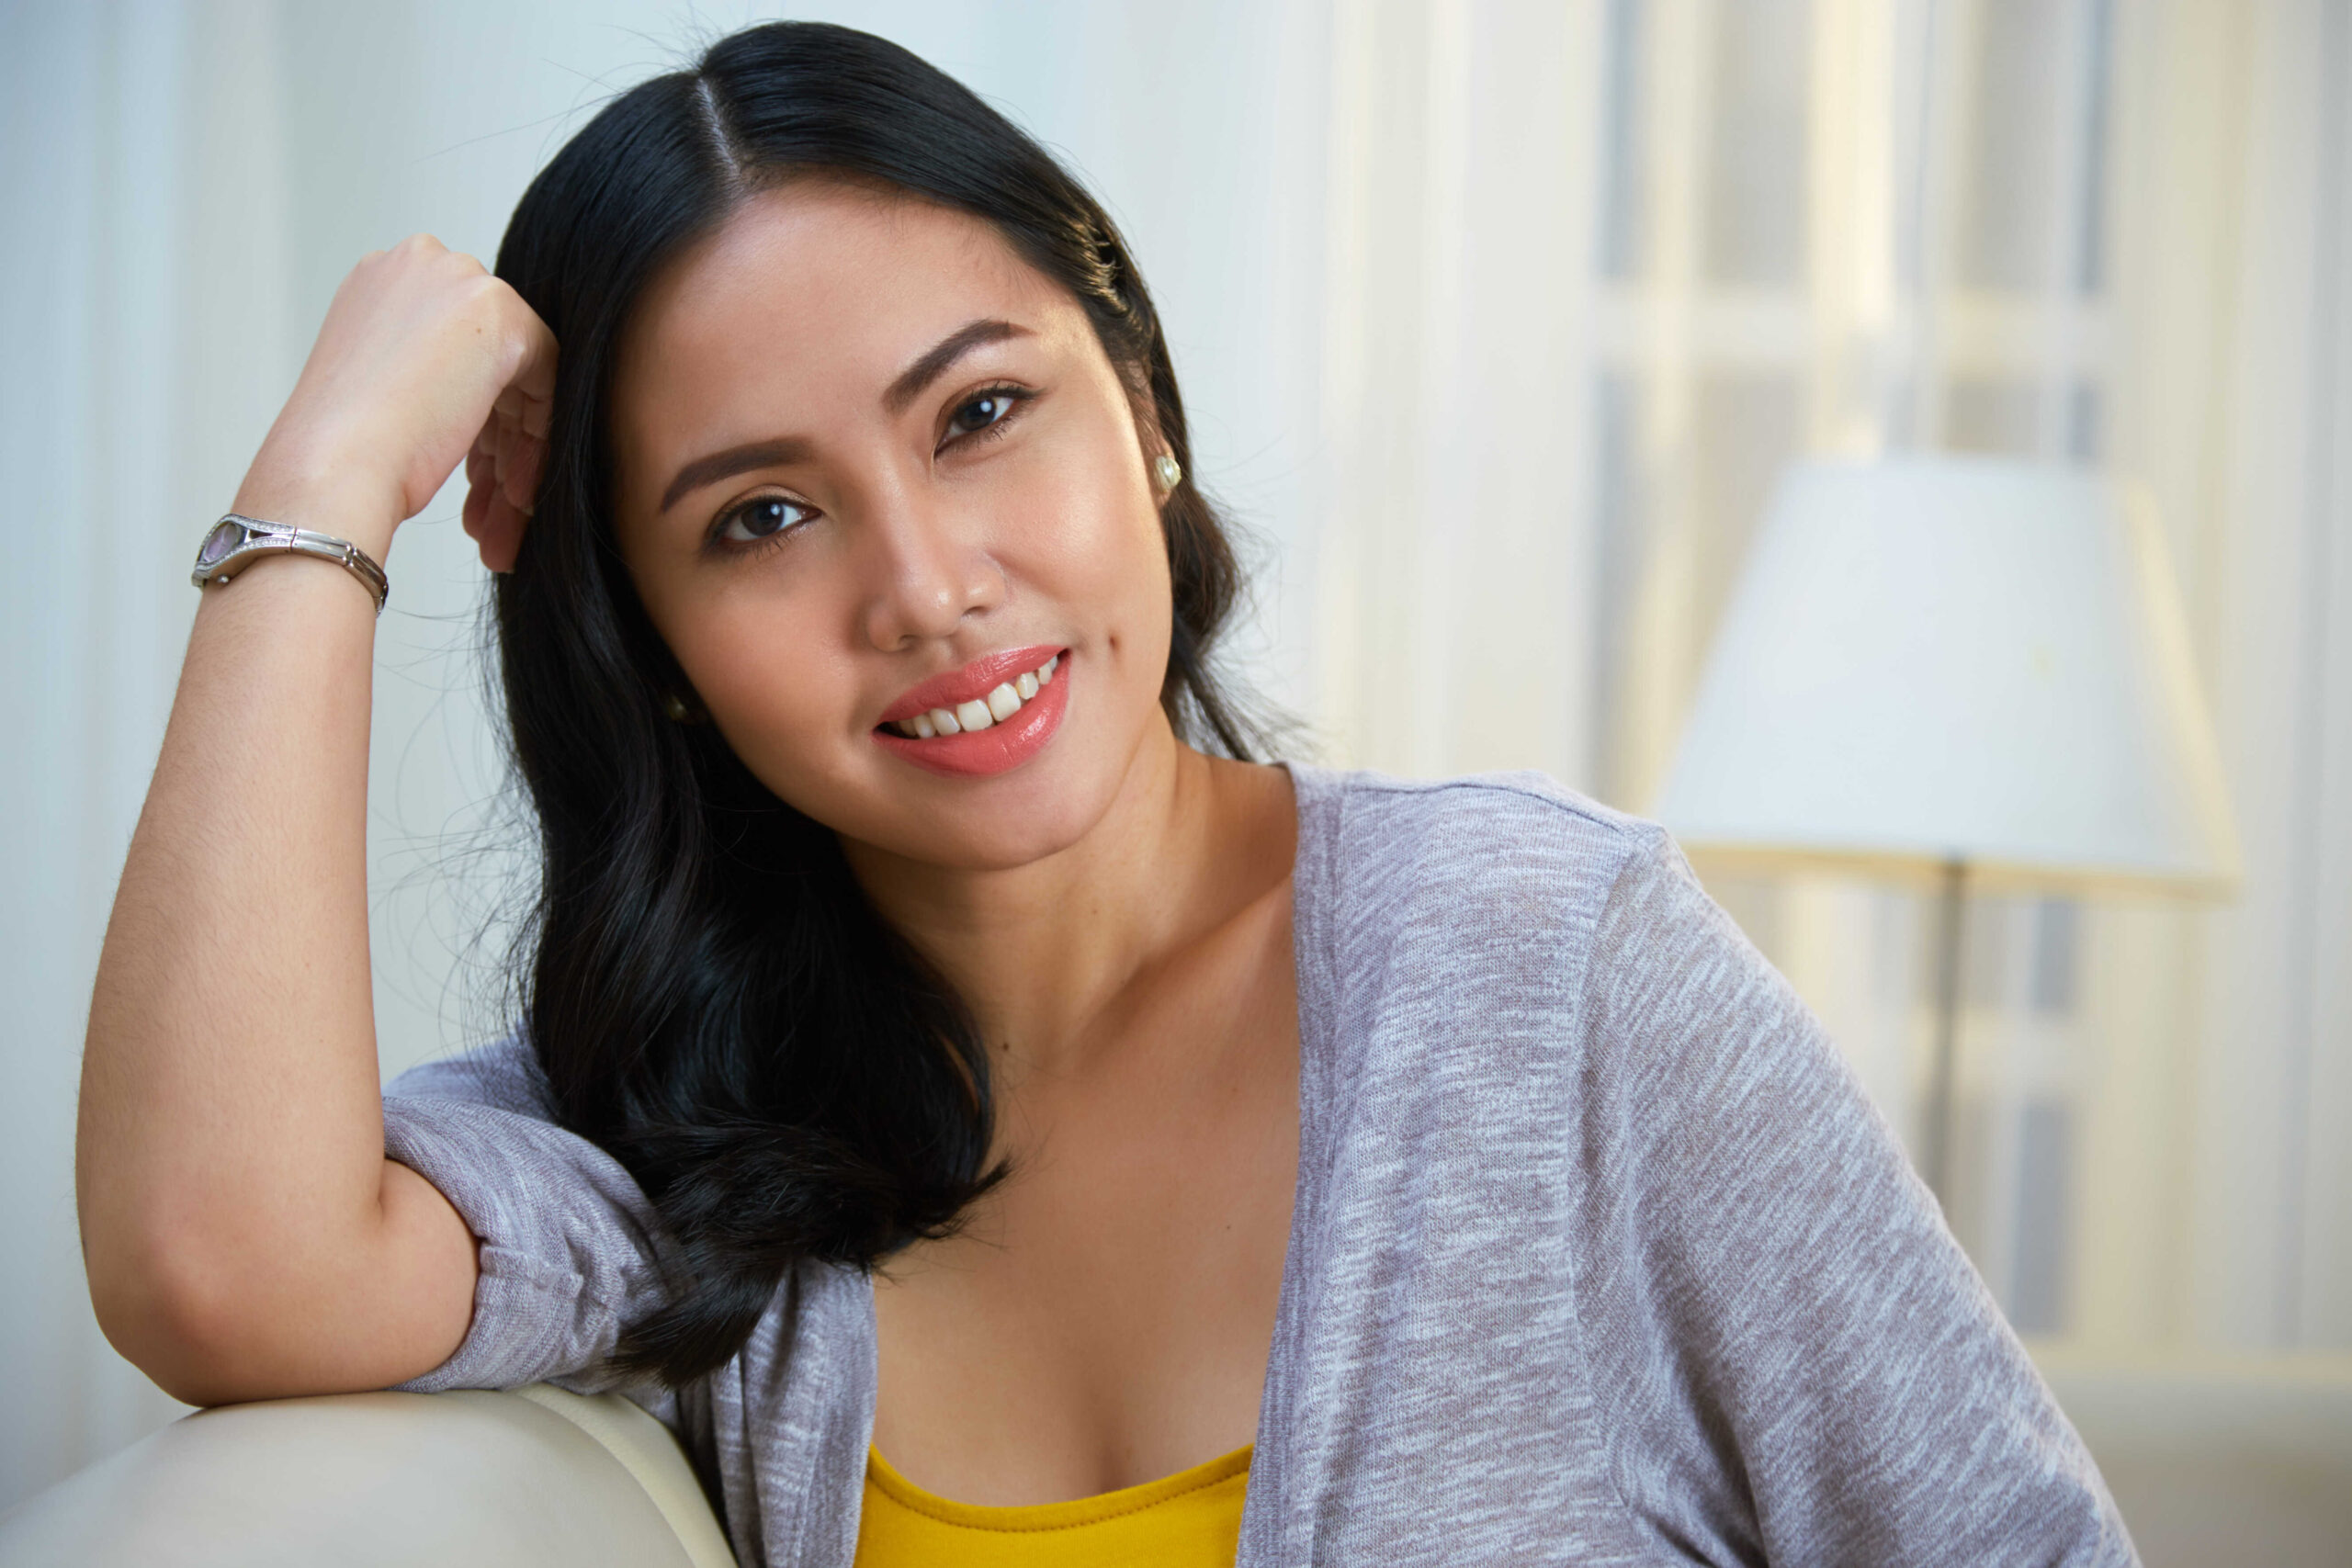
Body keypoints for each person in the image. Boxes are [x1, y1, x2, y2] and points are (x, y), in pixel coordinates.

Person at [77, 19, 2136, 1567]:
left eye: (981, 412)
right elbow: (215, 1257)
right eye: (760, 514)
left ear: (1140, 409)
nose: (926, 583)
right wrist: (319, 491)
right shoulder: (669, 1128)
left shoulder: (1544, 973)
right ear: (660, 653)